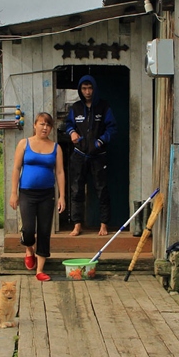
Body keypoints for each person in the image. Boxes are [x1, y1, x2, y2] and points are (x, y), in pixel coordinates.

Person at [9, 112, 65, 281]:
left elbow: (60, 172)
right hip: (26, 193)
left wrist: (62, 196)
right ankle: (28, 249)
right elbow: (16, 168)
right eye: (42, 124)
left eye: (48, 125)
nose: (45, 127)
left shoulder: (56, 147)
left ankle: (40, 270)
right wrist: (14, 193)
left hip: (47, 194)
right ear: (35, 125)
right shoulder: (24, 144)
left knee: (44, 230)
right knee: (28, 229)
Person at [64, 75, 117, 236]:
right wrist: (72, 132)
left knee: (101, 190)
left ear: (94, 89)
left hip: (98, 155)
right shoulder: (75, 108)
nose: (87, 92)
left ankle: (104, 224)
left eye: (90, 88)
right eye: (84, 88)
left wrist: (100, 141)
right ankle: (77, 224)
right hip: (79, 155)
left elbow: (112, 128)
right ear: (80, 90)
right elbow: (68, 125)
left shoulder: (103, 107)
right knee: (76, 189)